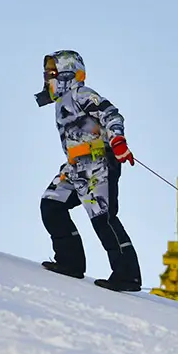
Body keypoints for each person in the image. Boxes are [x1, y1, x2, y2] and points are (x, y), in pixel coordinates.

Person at [35, 50, 143, 292]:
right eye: (46, 73)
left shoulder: (81, 94)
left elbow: (110, 113)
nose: (47, 78)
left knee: (103, 217)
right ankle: (70, 261)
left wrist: (117, 141)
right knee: (52, 204)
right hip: (75, 166)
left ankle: (128, 275)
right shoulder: (61, 102)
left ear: (68, 73)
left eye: (53, 72)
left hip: (97, 163)